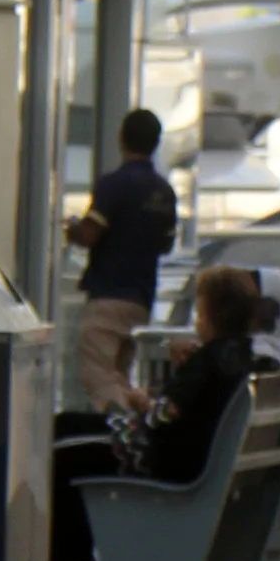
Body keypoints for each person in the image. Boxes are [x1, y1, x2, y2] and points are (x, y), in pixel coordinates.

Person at [50, 261, 263, 561]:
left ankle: (67, 560)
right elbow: (192, 404)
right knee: (66, 424)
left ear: (211, 317)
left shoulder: (209, 359)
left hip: (156, 455)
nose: (198, 321)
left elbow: (166, 415)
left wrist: (142, 402)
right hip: (177, 451)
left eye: (200, 314)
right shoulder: (238, 355)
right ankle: (75, 560)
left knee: (64, 452)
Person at [69, 106, 180, 411]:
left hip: (109, 295)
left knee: (98, 377)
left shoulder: (114, 184)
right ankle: (136, 420)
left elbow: (89, 234)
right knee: (119, 376)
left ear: (122, 139)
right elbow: (166, 245)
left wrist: (71, 229)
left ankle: (124, 431)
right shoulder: (164, 192)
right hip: (140, 299)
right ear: (156, 143)